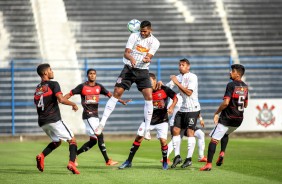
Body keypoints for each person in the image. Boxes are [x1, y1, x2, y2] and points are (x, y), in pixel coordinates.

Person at [95, 20, 160, 141]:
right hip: (129, 69)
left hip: (143, 71)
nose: (143, 33)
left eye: (145, 31)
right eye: (141, 31)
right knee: (116, 93)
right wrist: (131, 58)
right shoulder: (134, 36)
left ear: (150, 30)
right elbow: (126, 53)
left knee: (149, 97)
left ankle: (147, 129)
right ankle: (102, 124)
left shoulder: (155, 42)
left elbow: (149, 56)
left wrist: (147, 59)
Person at [64, 68, 130, 166]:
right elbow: (69, 94)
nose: (92, 75)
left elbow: (110, 95)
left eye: (94, 74)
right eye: (90, 73)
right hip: (88, 116)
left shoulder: (99, 87)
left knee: (93, 141)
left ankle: (74, 156)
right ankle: (107, 160)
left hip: (95, 116)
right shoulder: (82, 87)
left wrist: (121, 101)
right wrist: (63, 100)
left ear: (96, 75)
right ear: (87, 75)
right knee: (100, 135)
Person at [118, 73, 178, 170]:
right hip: (148, 121)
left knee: (163, 141)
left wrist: (171, 107)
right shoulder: (146, 90)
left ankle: (165, 162)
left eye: (149, 81)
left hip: (162, 121)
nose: (148, 83)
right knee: (138, 138)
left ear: (154, 80)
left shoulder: (164, 89)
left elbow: (175, 97)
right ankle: (128, 161)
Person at [200, 64, 248, 171]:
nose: (230, 72)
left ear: (238, 74)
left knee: (213, 140)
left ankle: (208, 164)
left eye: (232, 71)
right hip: (239, 119)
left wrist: (216, 113)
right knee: (225, 134)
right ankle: (222, 152)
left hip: (227, 118)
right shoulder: (245, 86)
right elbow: (245, 105)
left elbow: (226, 103)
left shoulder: (231, 85)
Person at [34, 63, 80, 174]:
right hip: (53, 119)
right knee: (72, 140)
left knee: (57, 141)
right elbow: (61, 100)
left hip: (42, 121)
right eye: (50, 70)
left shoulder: (38, 88)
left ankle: (41, 155)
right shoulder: (53, 84)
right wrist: (73, 104)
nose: (52, 71)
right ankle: (72, 163)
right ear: (45, 73)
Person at [166, 58, 201, 169]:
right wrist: (159, 85)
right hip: (183, 109)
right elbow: (167, 87)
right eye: (180, 65)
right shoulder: (178, 77)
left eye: (183, 65)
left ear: (188, 67)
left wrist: (177, 83)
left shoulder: (193, 77)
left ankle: (189, 158)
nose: (180, 66)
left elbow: (189, 92)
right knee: (175, 130)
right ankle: (177, 156)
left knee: (190, 132)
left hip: (192, 109)